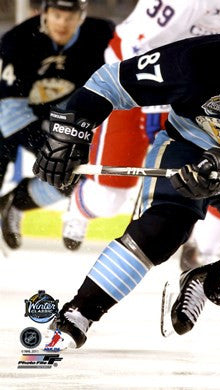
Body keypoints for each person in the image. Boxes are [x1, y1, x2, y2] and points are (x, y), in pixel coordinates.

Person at [33, 4, 220, 348]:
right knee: (159, 232)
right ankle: (77, 314)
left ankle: (204, 283)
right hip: (186, 149)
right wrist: (76, 124)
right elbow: (113, 81)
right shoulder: (198, 59)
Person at [62, 0, 220, 252]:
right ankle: (78, 210)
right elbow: (133, 43)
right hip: (134, 81)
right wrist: (154, 104)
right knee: (108, 197)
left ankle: (206, 247)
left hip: (203, 92)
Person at [0, 0, 114, 249]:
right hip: (8, 118)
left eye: (69, 15)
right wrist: (50, 143)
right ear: (44, 14)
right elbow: (8, 110)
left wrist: (60, 146)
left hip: (60, 116)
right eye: (56, 15)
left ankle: (16, 203)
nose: (62, 23)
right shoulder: (17, 40)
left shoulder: (101, 35)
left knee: (68, 169)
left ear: (81, 16)